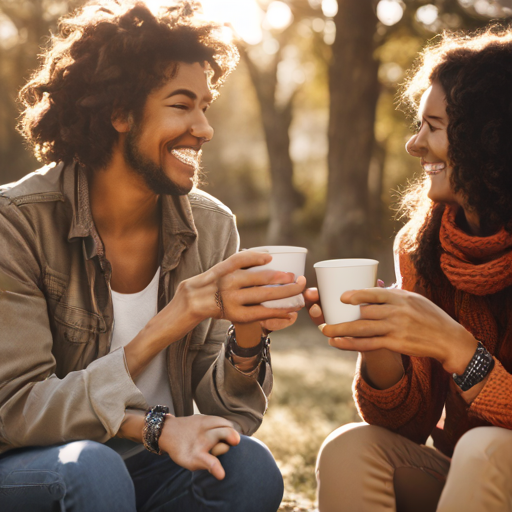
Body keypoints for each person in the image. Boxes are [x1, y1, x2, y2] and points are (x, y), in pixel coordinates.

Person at [0, 1, 306, 511]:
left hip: (146, 461)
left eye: (206, 106)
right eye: (182, 105)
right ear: (119, 112)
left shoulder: (210, 225)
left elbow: (229, 417)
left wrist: (248, 334)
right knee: (94, 473)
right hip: (32, 464)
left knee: (248, 466)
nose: (204, 128)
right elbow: (16, 409)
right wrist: (174, 321)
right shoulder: (18, 222)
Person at [305, 27, 512, 512]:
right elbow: (406, 427)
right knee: (350, 450)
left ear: (490, 138)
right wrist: (380, 348)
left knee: (486, 448)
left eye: (434, 127)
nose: (414, 145)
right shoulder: (422, 245)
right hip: (473, 474)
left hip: (489, 463)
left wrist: (457, 348)